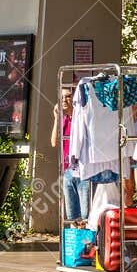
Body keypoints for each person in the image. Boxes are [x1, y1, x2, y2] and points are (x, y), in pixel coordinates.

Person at [51, 86, 88, 225]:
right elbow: (54, 142)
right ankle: (75, 243)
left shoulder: (82, 117)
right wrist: (56, 118)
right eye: (61, 98)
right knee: (72, 213)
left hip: (83, 169)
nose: (64, 100)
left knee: (85, 213)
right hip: (67, 170)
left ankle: (87, 243)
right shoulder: (63, 119)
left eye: (68, 96)